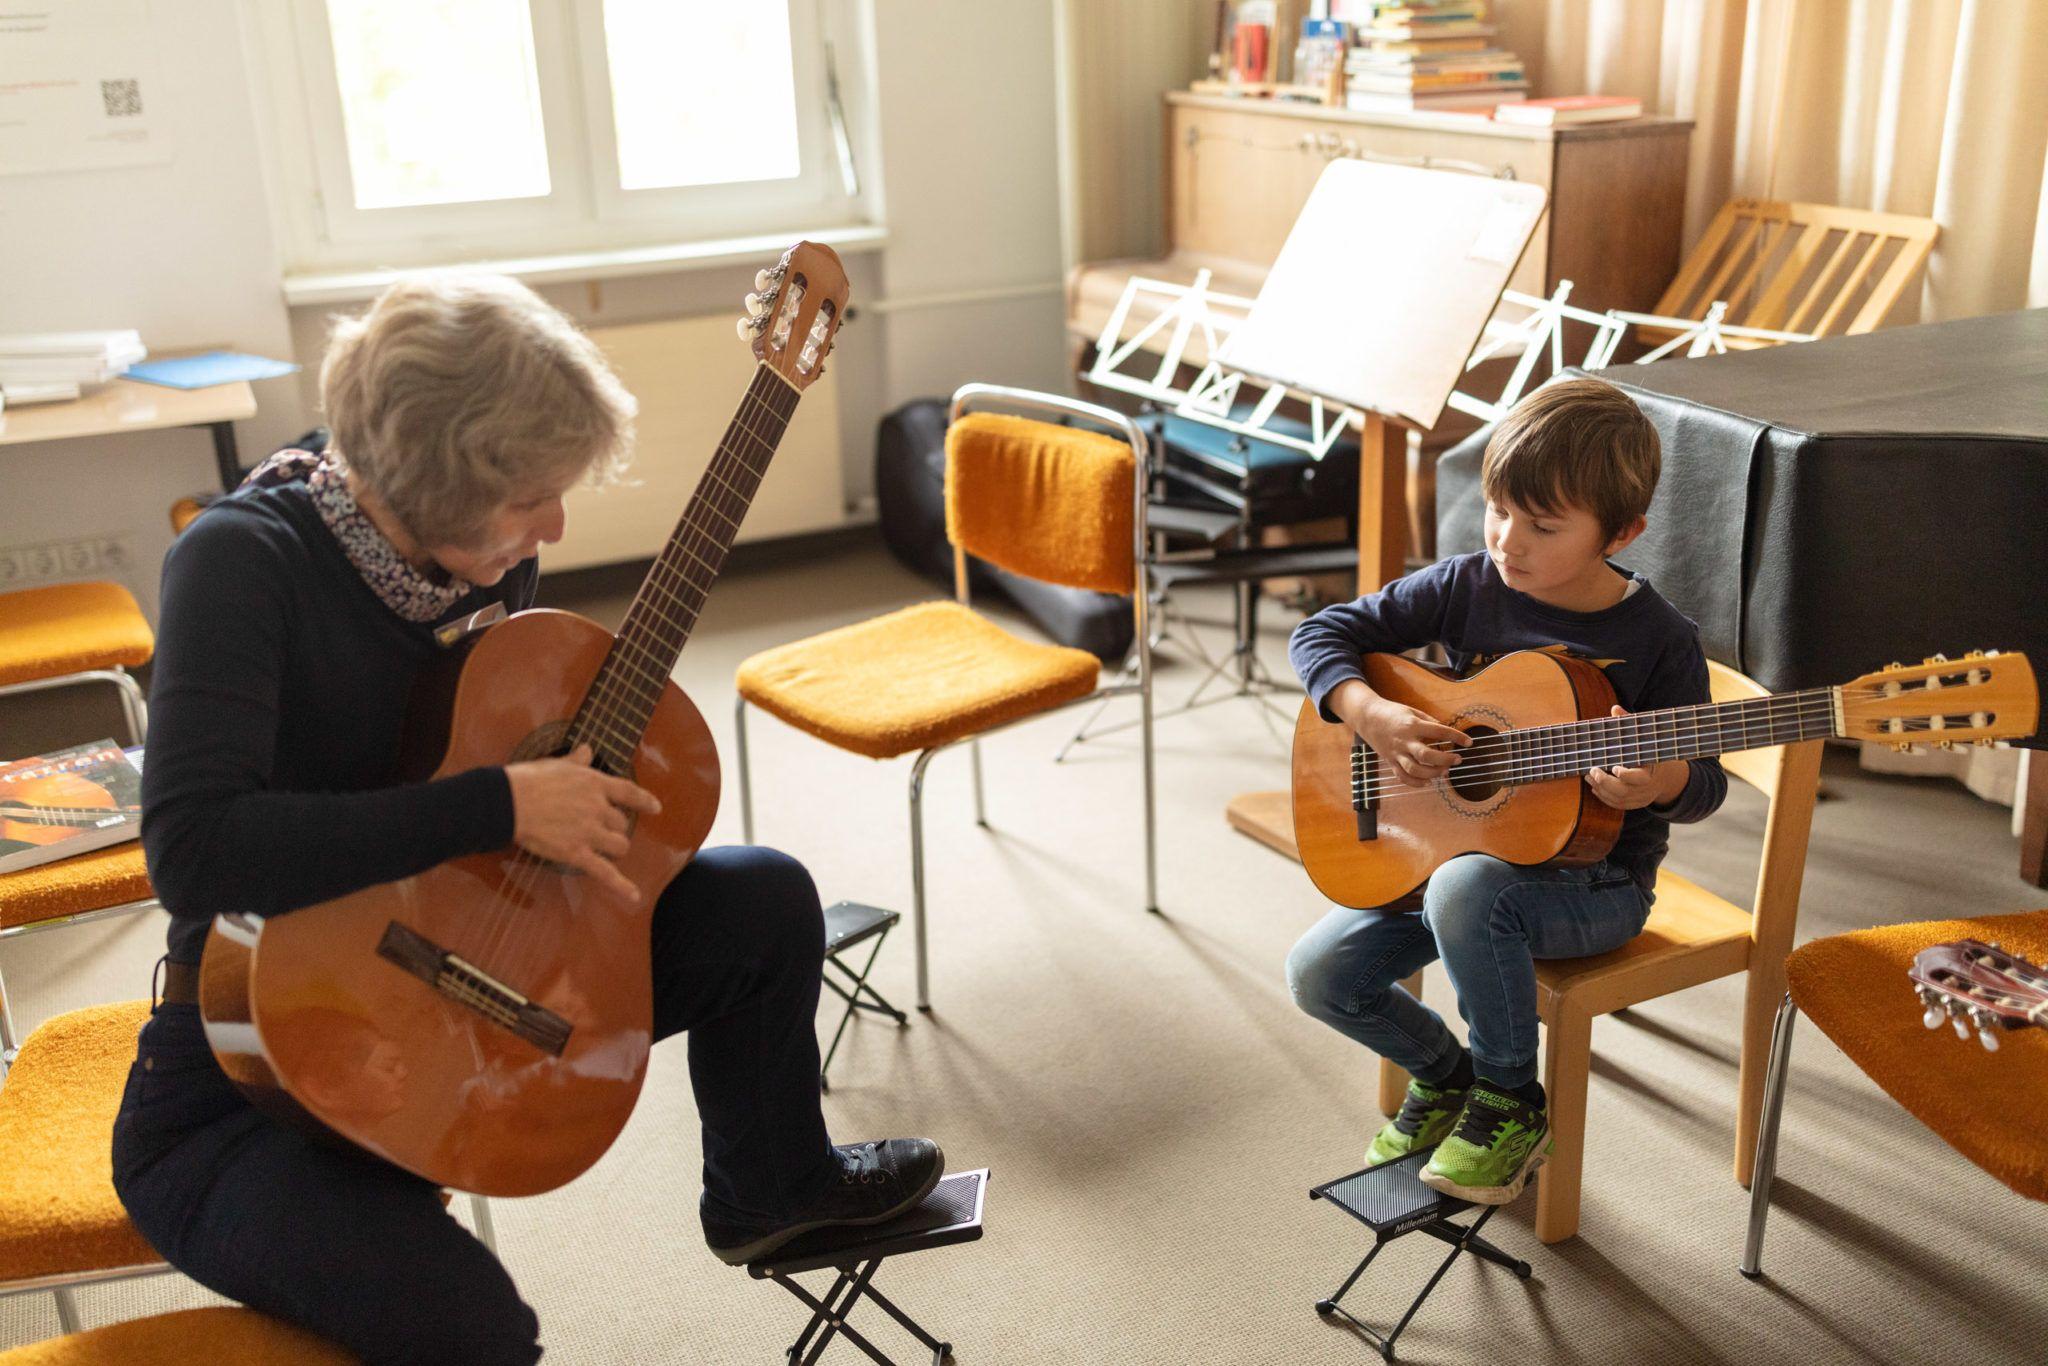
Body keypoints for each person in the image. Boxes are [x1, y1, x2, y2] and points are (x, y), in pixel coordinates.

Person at [112, 273, 942, 1365]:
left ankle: (773, 1188)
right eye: (528, 502)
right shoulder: (240, 562)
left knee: (761, 901)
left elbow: (502, 752)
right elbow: (195, 850)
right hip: (249, 1074)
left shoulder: (477, 554)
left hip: (442, 971)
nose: (553, 525)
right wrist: (500, 803)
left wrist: (574, 779)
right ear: (422, 479)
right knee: (473, 1330)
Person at [1284, 377, 1727, 1205]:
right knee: (1319, 976)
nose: (1506, 541)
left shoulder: (1660, 640)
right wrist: (1371, 712)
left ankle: (1510, 1100)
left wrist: (1660, 782)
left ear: (1622, 532)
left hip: (1596, 887)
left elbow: (1704, 787)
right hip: (1449, 860)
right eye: (1498, 509)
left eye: (1542, 525)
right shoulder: (1467, 585)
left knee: (1468, 885)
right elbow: (1321, 632)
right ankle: (1444, 1075)